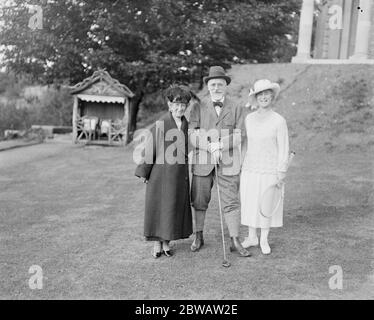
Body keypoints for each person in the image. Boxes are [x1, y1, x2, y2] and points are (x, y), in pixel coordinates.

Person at [188, 66, 251, 257]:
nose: (216, 88)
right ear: (208, 86)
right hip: (203, 161)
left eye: (220, 84)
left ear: (226, 86)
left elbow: (240, 135)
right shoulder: (197, 107)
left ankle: (234, 239)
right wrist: (209, 147)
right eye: (213, 84)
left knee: (231, 201)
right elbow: (192, 134)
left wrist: (220, 146)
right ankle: (198, 235)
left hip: (228, 161)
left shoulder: (237, 107)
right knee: (199, 200)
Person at [135, 85, 193, 258]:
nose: (180, 108)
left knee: (171, 208)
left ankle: (167, 242)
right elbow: (150, 148)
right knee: (159, 207)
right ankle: (157, 244)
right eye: (176, 104)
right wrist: (145, 172)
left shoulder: (185, 124)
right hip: (160, 174)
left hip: (178, 175)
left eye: (183, 104)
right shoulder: (160, 124)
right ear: (169, 104)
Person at [240, 79, 290, 255]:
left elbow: (284, 148)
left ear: (272, 96)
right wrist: (241, 165)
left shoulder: (279, 121)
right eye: (260, 94)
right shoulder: (249, 119)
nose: (264, 97)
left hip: (270, 170)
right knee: (251, 202)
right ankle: (252, 237)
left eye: (266, 93)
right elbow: (245, 144)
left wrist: (281, 171)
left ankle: (263, 239)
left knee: (266, 205)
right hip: (250, 168)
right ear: (255, 97)